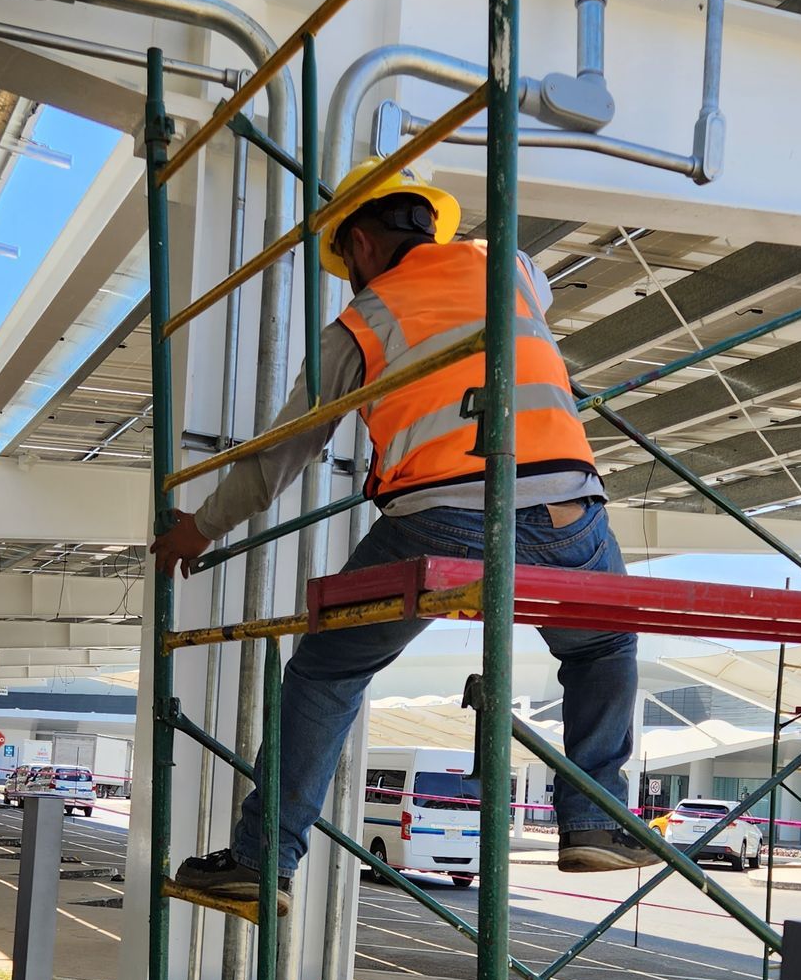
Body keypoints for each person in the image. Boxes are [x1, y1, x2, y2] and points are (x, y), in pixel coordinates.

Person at [151, 159, 654, 907]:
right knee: (604, 644)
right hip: (568, 516)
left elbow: (280, 458)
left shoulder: (359, 324)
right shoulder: (510, 266)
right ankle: (591, 821)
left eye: (343, 260)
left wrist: (196, 530)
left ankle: (261, 862)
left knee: (326, 672)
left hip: (437, 523)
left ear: (358, 242)